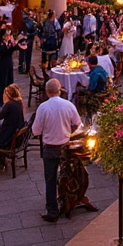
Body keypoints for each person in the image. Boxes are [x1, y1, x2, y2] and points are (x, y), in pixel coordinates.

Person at [32, 79, 82, 223]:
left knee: (50, 179)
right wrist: (69, 132)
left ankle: (52, 211)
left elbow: (36, 130)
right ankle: (68, 203)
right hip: (65, 146)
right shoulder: (68, 105)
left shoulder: (43, 107)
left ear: (47, 91)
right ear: (60, 90)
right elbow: (78, 124)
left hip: (50, 147)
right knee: (67, 175)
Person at [0, 26, 18, 106]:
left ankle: (10, 98)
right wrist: (8, 47)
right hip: (3, 64)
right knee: (2, 83)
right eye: (7, 35)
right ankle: (0, 101)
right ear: (3, 36)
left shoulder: (9, 43)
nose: (8, 37)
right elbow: (0, 53)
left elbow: (12, 50)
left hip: (9, 63)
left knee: (10, 81)